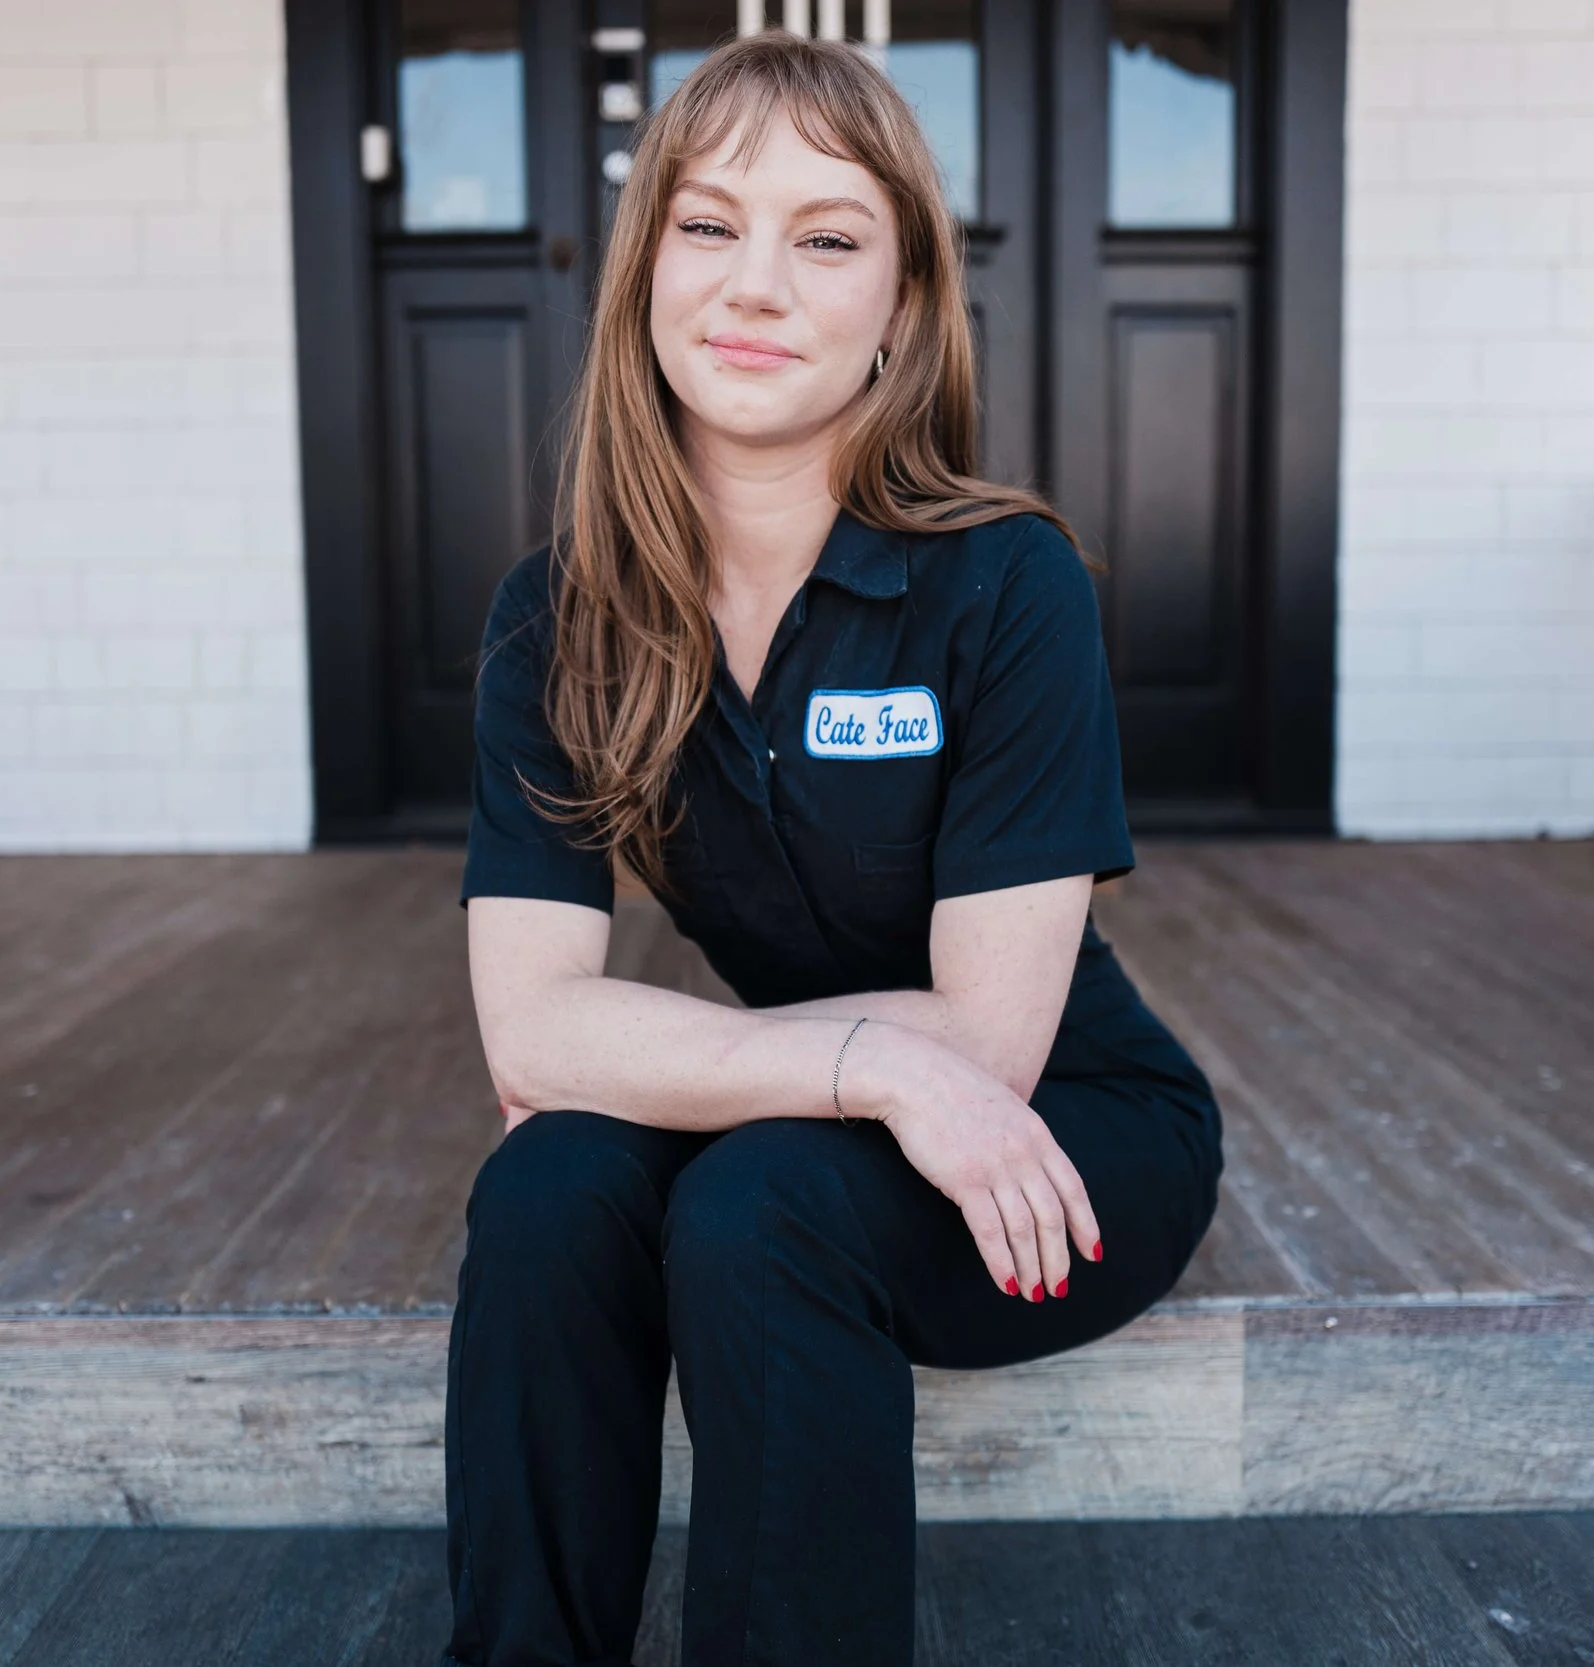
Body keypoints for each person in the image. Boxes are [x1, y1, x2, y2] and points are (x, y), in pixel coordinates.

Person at [445, 31, 1221, 1667]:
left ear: (903, 305)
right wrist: (862, 1064)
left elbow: (990, 1038)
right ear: (645, 267)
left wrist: (656, 1055)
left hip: (1062, 1127)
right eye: (709, 224)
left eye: (827, 236)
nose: (757, 284)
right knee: (550, 1182)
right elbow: (530, 1033)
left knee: (758, 1201)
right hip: (825, 1100)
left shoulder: (1006, 584)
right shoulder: (555, 616)